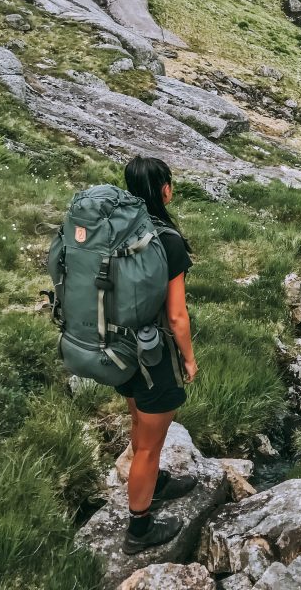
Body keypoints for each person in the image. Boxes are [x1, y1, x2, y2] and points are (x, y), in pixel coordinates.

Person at [118, 155, 200, 555]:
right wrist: (188, 359)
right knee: (150, 444)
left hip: (119, 348)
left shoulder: (119, 230)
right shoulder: (166, 239)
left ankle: (156, 481)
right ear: (165, 189)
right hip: (154, 353)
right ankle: (140, 527)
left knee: (139, 420)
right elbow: (177, 315)